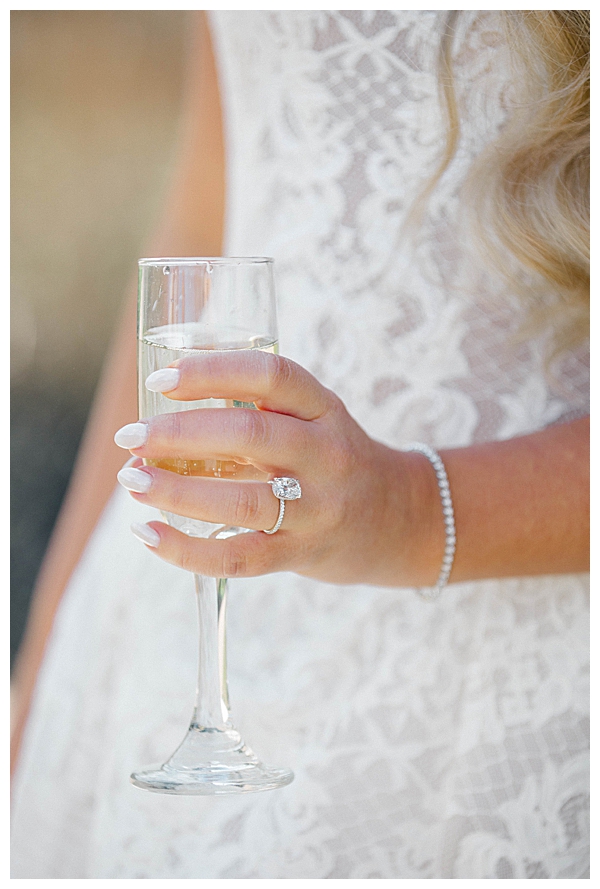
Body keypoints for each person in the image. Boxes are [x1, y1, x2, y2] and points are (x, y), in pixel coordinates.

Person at [11, 10, 589, 878]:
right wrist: (40, 669)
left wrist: (408, 510)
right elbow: (209, 205)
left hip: (504, 614)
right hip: (164, 629)